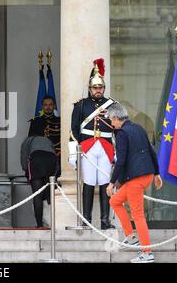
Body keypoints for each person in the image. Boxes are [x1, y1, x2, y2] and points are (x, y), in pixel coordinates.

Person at [106, 102, 163, 263]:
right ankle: (130, 237)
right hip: (146, 175)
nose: (111, 124)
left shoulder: (122, 133)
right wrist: (156, 173)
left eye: (112, 120)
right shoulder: (139, 128)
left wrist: (111, 182)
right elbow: (152, 150)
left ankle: (147, 253)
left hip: (136, 179)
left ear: (117, 118)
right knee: (115, 201)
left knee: (138, 215)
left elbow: (121, 161)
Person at [70, 58, 115, 230]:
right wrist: (74, 153)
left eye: (100, 87)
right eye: (95, 88)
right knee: (88, 183)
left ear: (104, 88)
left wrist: (117, 151)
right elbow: (73, 129)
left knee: (105, 183)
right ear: (90, 89)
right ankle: (86, 220)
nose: (98, 90)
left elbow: (117, 130)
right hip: (87, 147)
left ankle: (105, 221)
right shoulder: (81, 105)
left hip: (105, 147)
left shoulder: (112, 105)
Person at [20, 135, 58, 229]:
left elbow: (24, 160)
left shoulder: (26, 141)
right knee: (50, 195)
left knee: (37, 196)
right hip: (51, 160)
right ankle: (53, 222)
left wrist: (27, 174)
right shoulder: (47, 140)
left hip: (36, 160)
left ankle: (39, 225)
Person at [28, 95, 61, 176]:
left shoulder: (60, 121)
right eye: (45, 105)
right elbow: (31, 141)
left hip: (57, 155)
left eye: (50, 105)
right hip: (41, 156)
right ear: (42, 106)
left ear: (54, 106)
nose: (48, 107)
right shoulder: (35, 122)